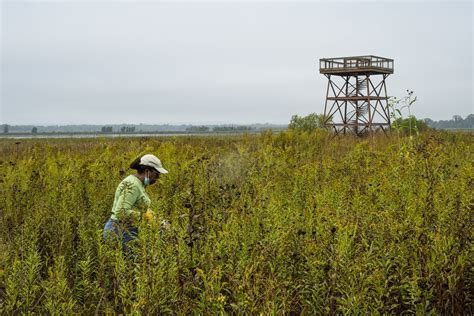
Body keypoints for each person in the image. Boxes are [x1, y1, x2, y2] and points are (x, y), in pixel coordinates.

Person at [103, 154, 168, 251]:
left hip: (126, 229)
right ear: (147, 171)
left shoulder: (137, 183)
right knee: (134, 263)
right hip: (119, 231)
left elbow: (136, 205)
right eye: (157, 174)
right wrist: (145, 217)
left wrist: (154, 217)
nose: (157, 178)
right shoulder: (132, 185)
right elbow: (121, 212)